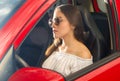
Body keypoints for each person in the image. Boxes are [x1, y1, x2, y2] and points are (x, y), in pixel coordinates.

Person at [42, 4, 93, 77]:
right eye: (52, 21)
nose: (53, 25)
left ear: (73, 24)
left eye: (58, 20)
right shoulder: (56, 46)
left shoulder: (82, 55)